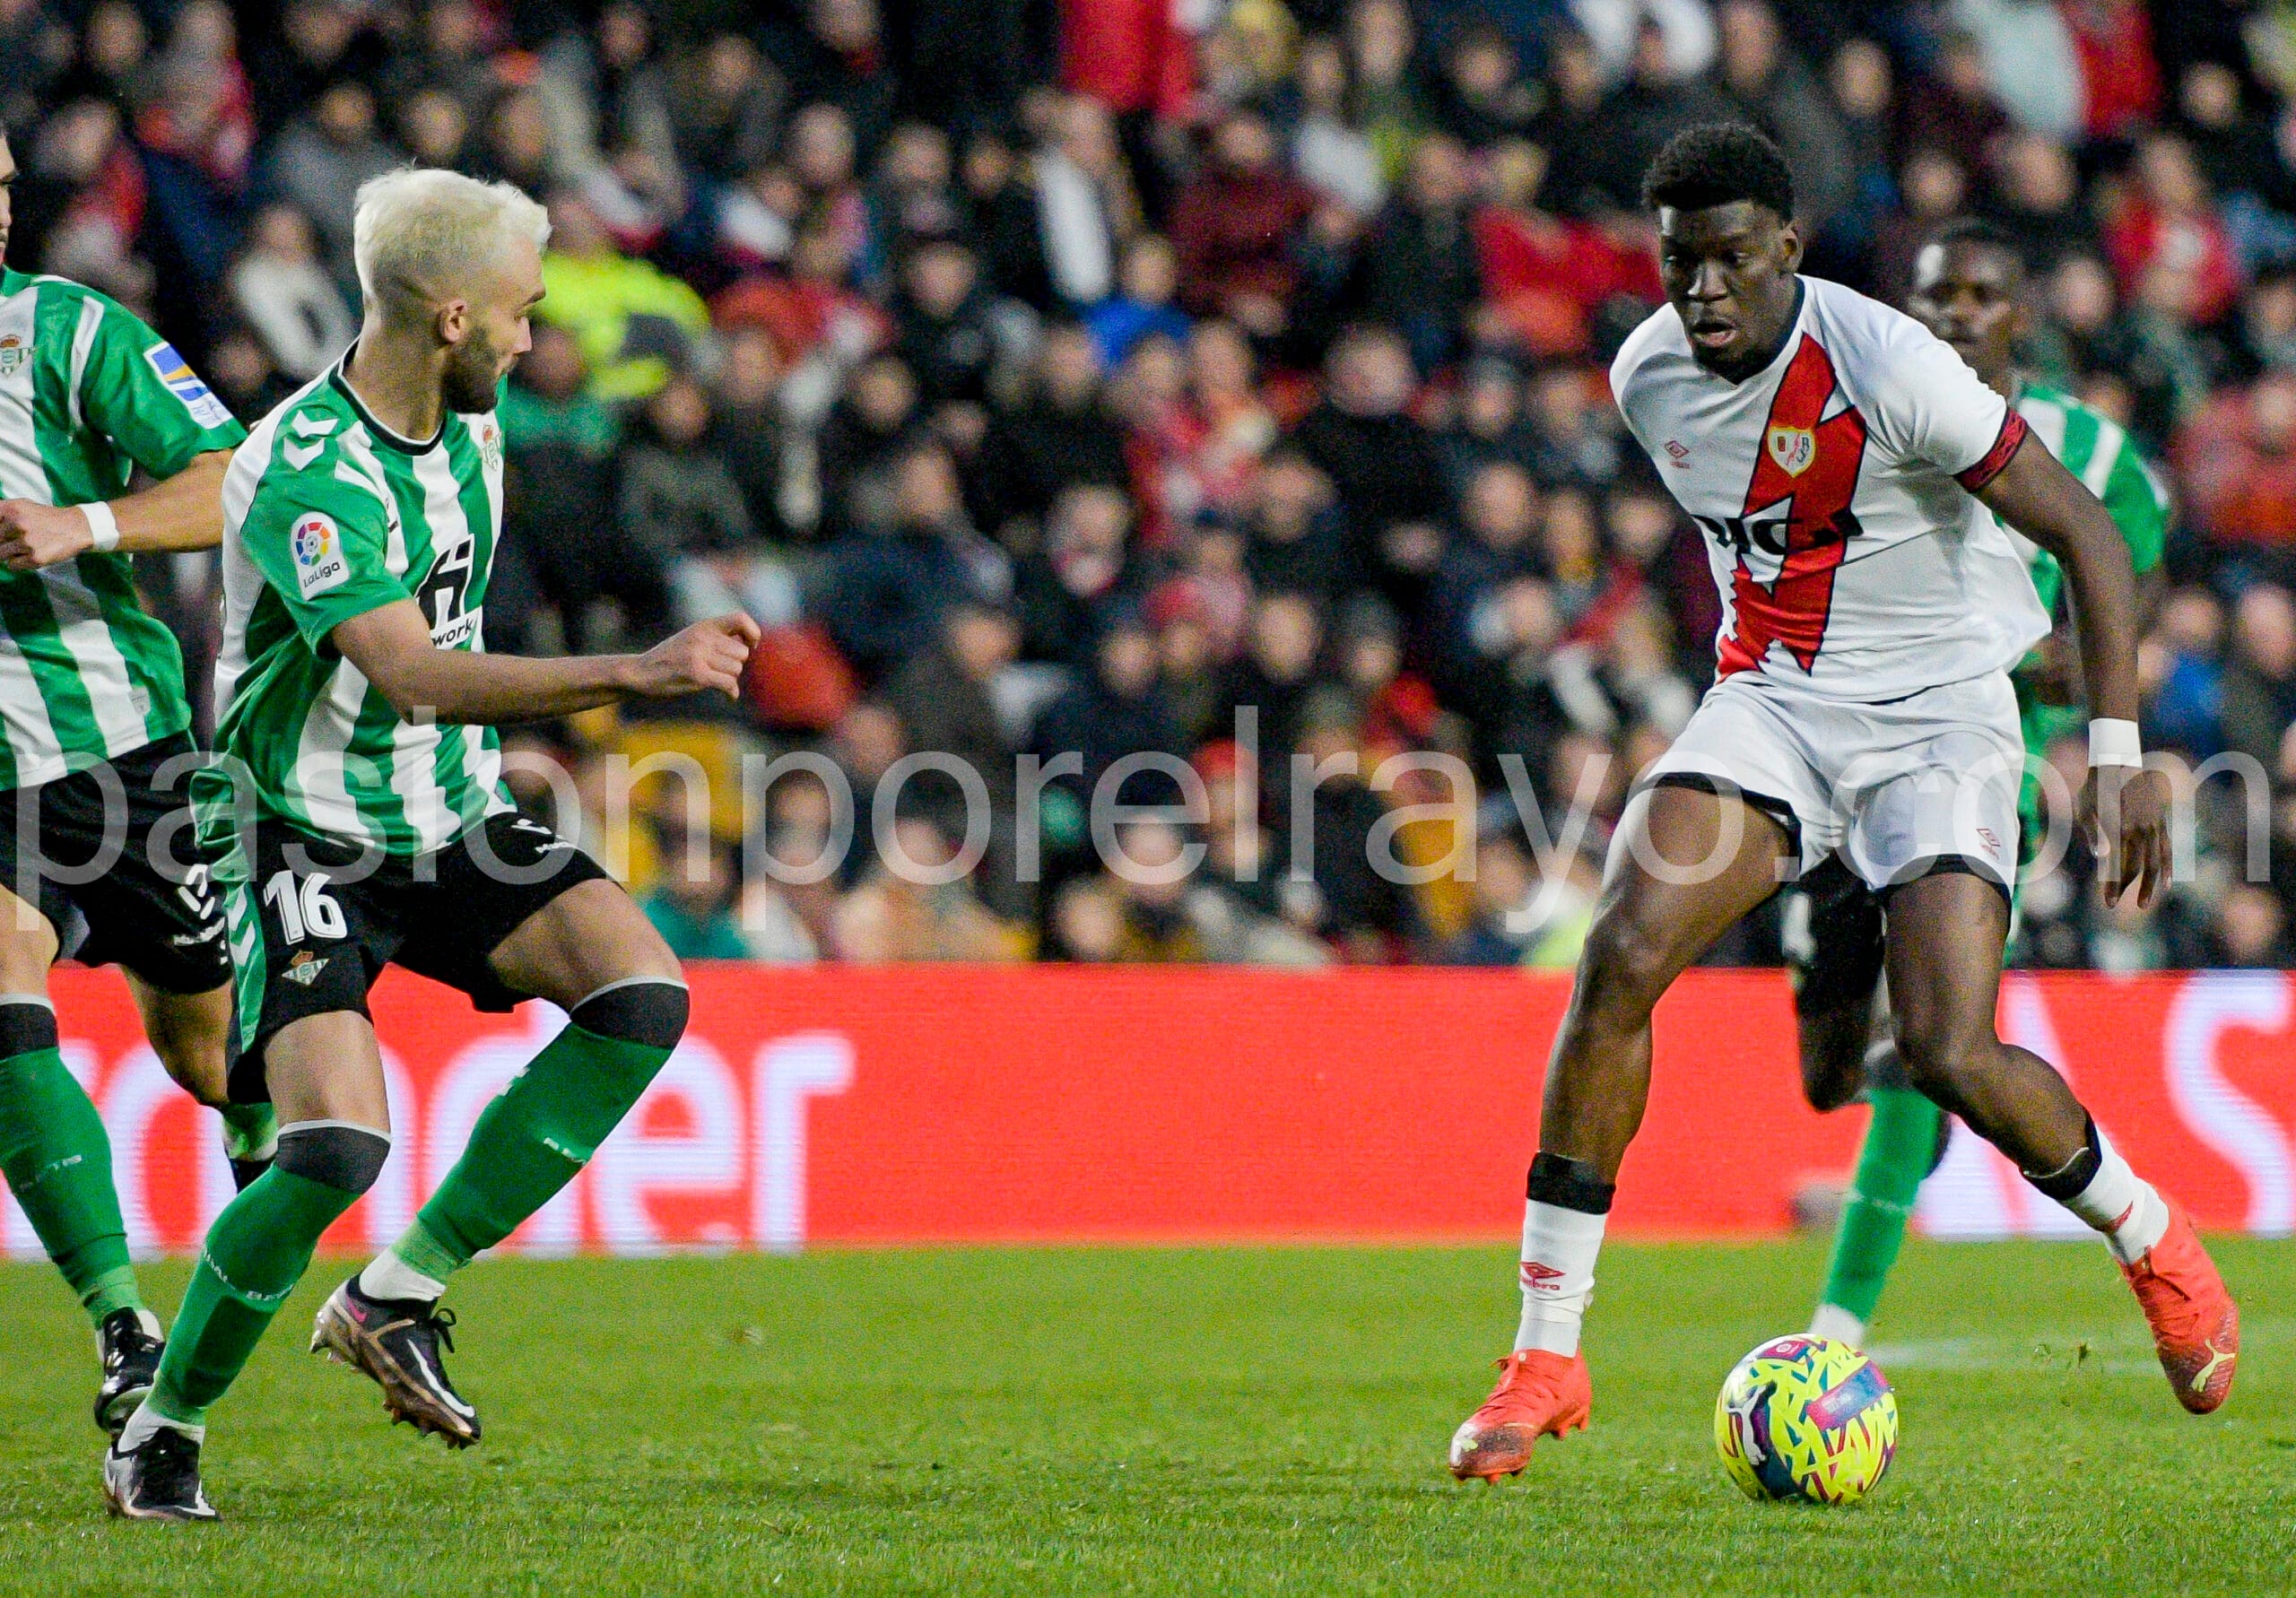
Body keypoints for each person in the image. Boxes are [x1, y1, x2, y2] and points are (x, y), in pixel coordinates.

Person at [1447, 125, 2233, 1483]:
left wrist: (2115, 753)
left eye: (1731, 260)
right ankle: (1546, 1353)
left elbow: (2091, 537)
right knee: (1620, 954)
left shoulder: (1893, 367)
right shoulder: (1647, 381)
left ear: (1788, 254)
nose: (1702, 290)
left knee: (1944, 1050)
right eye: (1679, 261)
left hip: (1943, 717)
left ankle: (2153, 1236)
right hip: (1777, 709)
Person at [102, 169, 760, 1521]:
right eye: (520, 313)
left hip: (447, 807)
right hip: (300, 830)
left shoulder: (474, 420)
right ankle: (161, 1429)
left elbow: (443, 664)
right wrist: (635, 671)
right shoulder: (306, 470)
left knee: (642, 994)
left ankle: (393, 1293)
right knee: (335, 1148)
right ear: (452, 316)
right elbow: (408, 670)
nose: (535, 338)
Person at [1793, 219, 2171, 1352]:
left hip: (1974, 762)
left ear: (2020, 313)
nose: (1955, 312)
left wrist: (2090, 705)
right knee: (1824, 1074)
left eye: (1979, 293)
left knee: (1934, 1037)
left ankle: (1832, 1330)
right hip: (1835, 748)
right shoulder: (1861, 421)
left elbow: (2116, 601)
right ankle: (1919, 1100)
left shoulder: (2090, 456)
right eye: (1934, 294)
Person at [0, 128, 279, 1438]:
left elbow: (234, 478)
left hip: (123, 746)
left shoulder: (62, 329)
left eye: (4, 181)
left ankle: (267, 1150)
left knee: (208, 1047)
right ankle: (122, 1318)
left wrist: (83, 523)